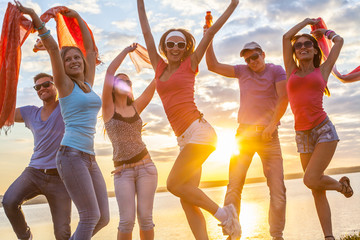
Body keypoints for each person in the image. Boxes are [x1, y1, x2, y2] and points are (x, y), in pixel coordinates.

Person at [137, 0, 241, 239]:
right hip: (184, 138)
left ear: (185, 48)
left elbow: (212, 31)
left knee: (174, 184)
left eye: (180, 45)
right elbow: (146, 31)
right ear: (164, 46)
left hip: (200, 132)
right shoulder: (159, 67)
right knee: (187, 197)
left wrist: (233, 4)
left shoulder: (190, 63)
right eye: (170, 44)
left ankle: (225, 215)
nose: (175, 48)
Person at [15, 1, 110, 239]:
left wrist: (77, 17)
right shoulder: (65, 85)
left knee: (103, 217)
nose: (75, 61)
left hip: (89, 157)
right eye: (69, 60)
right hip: (70, 155)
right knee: (89, 216)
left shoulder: (87, 83)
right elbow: (52, 47)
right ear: (63, 67)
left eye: (77, 58)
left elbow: (89, 49)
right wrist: (35, 17)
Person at [205, 39, 287, 240]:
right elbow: (212, 66)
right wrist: (208, 36)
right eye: (248, 59)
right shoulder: (242, 71)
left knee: (277, 190)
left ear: (263, 54)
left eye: (255, 57)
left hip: (269, 137)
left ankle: (277, 236)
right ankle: (232, 234)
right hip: (244, 136)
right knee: (234, 185)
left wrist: (272, 124)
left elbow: (284, 98)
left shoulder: (276, 71)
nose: (252, 61)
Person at [283, 18, 354, 240]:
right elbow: (286, 37)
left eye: (308, 44)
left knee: (309, 179)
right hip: (301, 135)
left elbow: (340, 41)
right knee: (315, 187)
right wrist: (305, 22)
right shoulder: (290, 71)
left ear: (315, 50)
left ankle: (343, 188)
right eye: (299, 45)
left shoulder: (322, 70)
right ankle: (329, 236)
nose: (303, 47)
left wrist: (325, 32)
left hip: (323, 130)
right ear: (295, 52)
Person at [2, 73, 71, 240]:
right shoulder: (30, 112)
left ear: (55, 85)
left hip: (60, 177)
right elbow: (4, 113)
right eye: (37, 87)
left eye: (46, 84)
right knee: (9, 202)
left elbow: (72, 83)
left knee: (62, 234)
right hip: (34, 172)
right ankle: (26, 237)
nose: (42, 89)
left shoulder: (66, 107)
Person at [102, 43, 157, 240]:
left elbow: (156, 81)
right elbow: (109, 71)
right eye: (120, 82)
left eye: (128, 82)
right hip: (123, 171)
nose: (124, 84)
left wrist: (166, 62)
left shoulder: (136, 107)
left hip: (146, 168)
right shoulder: (108, 109)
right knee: (126, 221)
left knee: (146, 219)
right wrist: (125, 51)